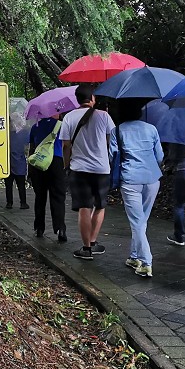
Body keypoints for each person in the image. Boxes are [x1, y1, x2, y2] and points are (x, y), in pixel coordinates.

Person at [58, 84, 116, 259]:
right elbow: (110, 140)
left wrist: (66, 164)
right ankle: (93, 241)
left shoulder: (69, 117)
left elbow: (66, 145)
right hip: (101, 168)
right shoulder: (104, 116)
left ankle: (86, 249)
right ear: (92, 99)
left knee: (84, 207)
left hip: (79, 168)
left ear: (77, 100)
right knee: (99, 206)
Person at [111, 99, 164, 278]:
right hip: (152, 178)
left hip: (130, 179)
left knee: (137, 222)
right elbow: (160, 156)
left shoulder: (117, 131)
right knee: (142, 220)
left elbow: (113, 156)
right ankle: (134, 256)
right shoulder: (151, 129)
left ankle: (146, 262)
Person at [28, 114, 67, 239]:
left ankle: (39, 228)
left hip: (39, 163)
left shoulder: (36, 127)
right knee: (58, 197)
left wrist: (30, 171)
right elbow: (66, 145)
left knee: (40, 197)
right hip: (57, 162)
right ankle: (60, 229)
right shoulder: (62, 126)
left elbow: (32, 148)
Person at [5, 125, 30, 210]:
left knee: (8, 185)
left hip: (8, 163)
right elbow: (28, 143)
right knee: (21, 185)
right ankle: (23, 203)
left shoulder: (6, 134)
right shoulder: (23, 134)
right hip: (19, 163)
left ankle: (9, 203)